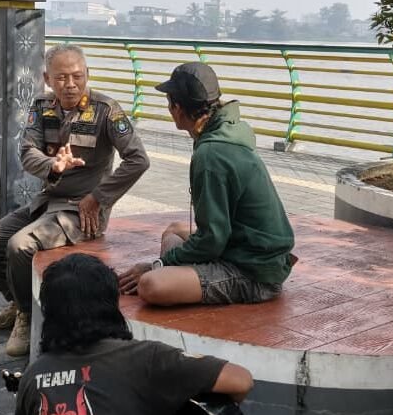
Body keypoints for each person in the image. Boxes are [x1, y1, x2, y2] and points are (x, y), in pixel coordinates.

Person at [0, 44, 150, 356]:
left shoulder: (106, 110)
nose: (71, 84)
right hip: (47, 201)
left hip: (82, 210)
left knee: (20, 245)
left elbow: (138, 159)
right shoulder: (41, 106)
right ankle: (18, 302)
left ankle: (27, 317)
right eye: (62, 77)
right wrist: (53, 166)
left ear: (87, 75)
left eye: (78, 76)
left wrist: (99, 197)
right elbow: (27, 152)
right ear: (47, 79)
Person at [0, 253, 253, 415]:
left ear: (50, 315)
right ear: (111, 306)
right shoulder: (148, 359)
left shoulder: (33, 376)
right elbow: (241, 380)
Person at [118, 62, 296, 306]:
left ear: (177, 108)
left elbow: (212, 239)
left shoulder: (211, 154)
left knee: (151, 285)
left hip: (254, 273)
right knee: (173, 231)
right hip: (247, 248)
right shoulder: (228, 130)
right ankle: (178, 276)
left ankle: (174, 278)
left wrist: (156, 265)